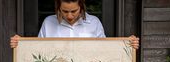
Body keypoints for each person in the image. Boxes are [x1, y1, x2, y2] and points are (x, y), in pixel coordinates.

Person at [10, 0, 139, 49]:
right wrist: (20, 44)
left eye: (74, 11)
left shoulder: (94, 22)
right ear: (58, 8)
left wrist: (128, 44)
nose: (70, 16)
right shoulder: (48, 22)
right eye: (65, 11)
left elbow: (105, 49)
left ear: (81, 7)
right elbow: (37, 49)